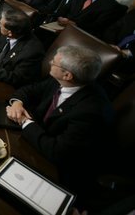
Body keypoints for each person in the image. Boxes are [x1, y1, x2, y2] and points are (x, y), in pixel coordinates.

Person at [6, 45, 113, 204]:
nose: (49, 62)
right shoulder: (61, 80)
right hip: (36, 139)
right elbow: (29, 90)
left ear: (67, 74)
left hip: (56, 171)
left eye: (54, 62)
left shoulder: (91, 111)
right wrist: (17, 103)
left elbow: (57, 152)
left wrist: (24, 122)